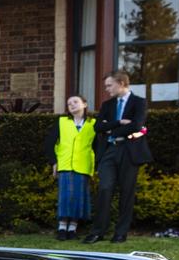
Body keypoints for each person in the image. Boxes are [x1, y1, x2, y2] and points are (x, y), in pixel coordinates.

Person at [85, 70, 152, 244]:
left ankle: (120, 233)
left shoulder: (139, 102)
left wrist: (111, 129)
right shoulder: (107, 105)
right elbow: (98, 127)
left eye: (109, 85)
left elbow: (137, 126)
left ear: (121, 83)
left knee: (126, 193)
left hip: (130, 151)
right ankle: (98, 231)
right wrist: (119, 123)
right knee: (104, 188)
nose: (106, 89)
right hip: (110, 150)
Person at [45, 95, 96, 241]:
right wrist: (54, 162)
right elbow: (49, 144)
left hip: (83, 165)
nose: (72, 105)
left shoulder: (93, 123)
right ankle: (62, 227)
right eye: (69, 104)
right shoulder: (62, 122)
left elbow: (97, 146)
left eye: (75, 102)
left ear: (84, 104)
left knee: (79, 197)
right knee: (65, 197)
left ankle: (73, 228)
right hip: (65, 164)